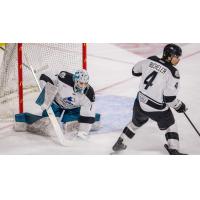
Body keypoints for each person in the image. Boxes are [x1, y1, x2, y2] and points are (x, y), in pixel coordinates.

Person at [112, 44, 187, 155]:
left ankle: (121, 141)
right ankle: (174, 149)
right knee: (170, 124)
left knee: (135, 123)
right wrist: (179, 105)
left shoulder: (150, 60)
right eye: (176, 57)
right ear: (169, 56)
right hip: (156, 108)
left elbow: (134, 71)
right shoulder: (173, 72)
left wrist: (149, 68)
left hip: (140, 102)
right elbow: (169, 99)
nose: (178, 60)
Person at [14, 69, 101, 139]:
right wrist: (46, 97)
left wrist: (83, 131)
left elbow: (87, 112)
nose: (83, 86)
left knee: (70, 127)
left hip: (72, 109)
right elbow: (45, 77)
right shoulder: (64, 78)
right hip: (55, 103)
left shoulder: (89, 93)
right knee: (48, 127)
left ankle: (92, 120)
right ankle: (24, 120)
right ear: (75, 80)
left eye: (85, 83)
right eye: (81, 83)